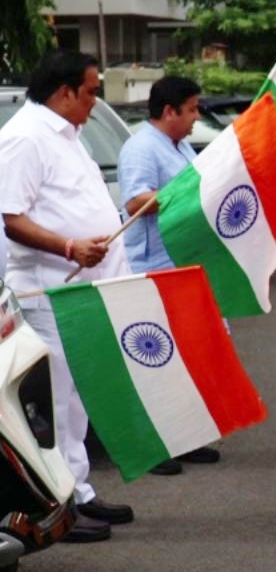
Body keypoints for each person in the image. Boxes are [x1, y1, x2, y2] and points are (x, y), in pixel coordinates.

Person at [0, 49, 134, 543]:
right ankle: (54, 508)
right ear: (64, 93)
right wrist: (69, 245)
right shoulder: (24, 139)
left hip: (79, 289)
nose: (95, 103)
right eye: (92, 92)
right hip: (46, 289)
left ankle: (78, 491)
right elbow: (11, 219)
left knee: (75, 396)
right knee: (54, 401)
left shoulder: (65, 134)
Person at [117, 75, 221, 476]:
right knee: (155, 359)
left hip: (183, 264)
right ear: (168, 111)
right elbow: (135, 200)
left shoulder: (181, 146)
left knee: (187, 356)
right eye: (192, 109)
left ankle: (183, 438)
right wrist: (190, 198)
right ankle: (152, 445)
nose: (196, 117)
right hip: (153, 267)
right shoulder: (142, 147)